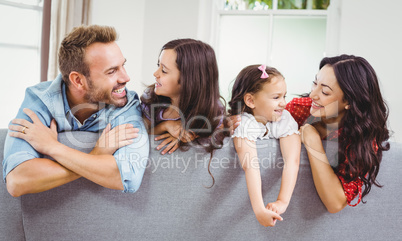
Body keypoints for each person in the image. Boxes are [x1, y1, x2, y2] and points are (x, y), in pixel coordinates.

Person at [231, 55, 390, 213]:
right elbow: (258, 117)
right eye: (315, 83)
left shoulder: (363, 138)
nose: (313, 94)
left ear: (349, 101)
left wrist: (312, 139)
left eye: (325, 92)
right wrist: (229, 123)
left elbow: (335, 203)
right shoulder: (300, 109)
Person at [3, 25, 149, 197]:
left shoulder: (125, 103)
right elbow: (17, 181)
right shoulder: (39, 100)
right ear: (78, 80)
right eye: (112, 71)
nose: (126, 77)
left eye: (122, 65)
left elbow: (128, 177)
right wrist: (96, 154)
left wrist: (53, 147)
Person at [229, 64, 301, 227]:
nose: (283, 103)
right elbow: (251, 166)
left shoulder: (284, 119)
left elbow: (293, 160)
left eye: (284, 96)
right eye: (276, 98)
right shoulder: (243, 123)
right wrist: (259, 209)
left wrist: (282, 201)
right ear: (251, 100)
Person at [140, 38, 227, 165]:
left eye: (164, 70)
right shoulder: (151, 99)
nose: (155, 73)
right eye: (158, 66)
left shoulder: (213, 109)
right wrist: (165, 126)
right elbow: (140, 135)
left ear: (189, 80)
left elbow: (217, 134)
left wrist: (186, 137)